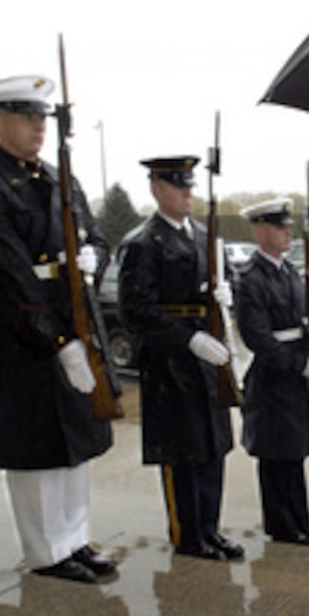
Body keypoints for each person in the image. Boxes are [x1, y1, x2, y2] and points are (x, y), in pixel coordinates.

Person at [0, 75, 117, 583]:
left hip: (71, 316)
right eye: (26, 117)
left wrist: (94, 253)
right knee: (35, 450)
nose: (37, 127)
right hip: (21, 334)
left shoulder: (57, 178)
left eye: (41, 118)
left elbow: (93, 233)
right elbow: (8, 276)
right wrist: (58, 339)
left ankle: (73, 539)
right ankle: (46, 552)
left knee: (73, 442)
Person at [117, 156, 244, 561]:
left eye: (190, 185)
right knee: (182, 451)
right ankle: (188, 535)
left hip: (207, 357)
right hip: (172, 361)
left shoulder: (203, 236)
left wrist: (227, 296)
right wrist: (188, 340)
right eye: (178, 185)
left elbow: (224, 283)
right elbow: (136, 311)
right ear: (157, 190)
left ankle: (210, 527)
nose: (189, 192)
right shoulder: (143, 243)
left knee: (212, 445)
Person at [235, 198, 309, 546]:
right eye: (279, 227)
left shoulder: (290, 272)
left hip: (294, 373)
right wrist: (301, 364)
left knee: (294, 454)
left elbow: (299, 319)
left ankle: (300, 522)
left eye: (288, 226)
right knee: (277, 456)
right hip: (275, 376)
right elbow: (257, 337)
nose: (288, 232)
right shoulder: (251, 278)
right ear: (261, 231)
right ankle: (282, 525)